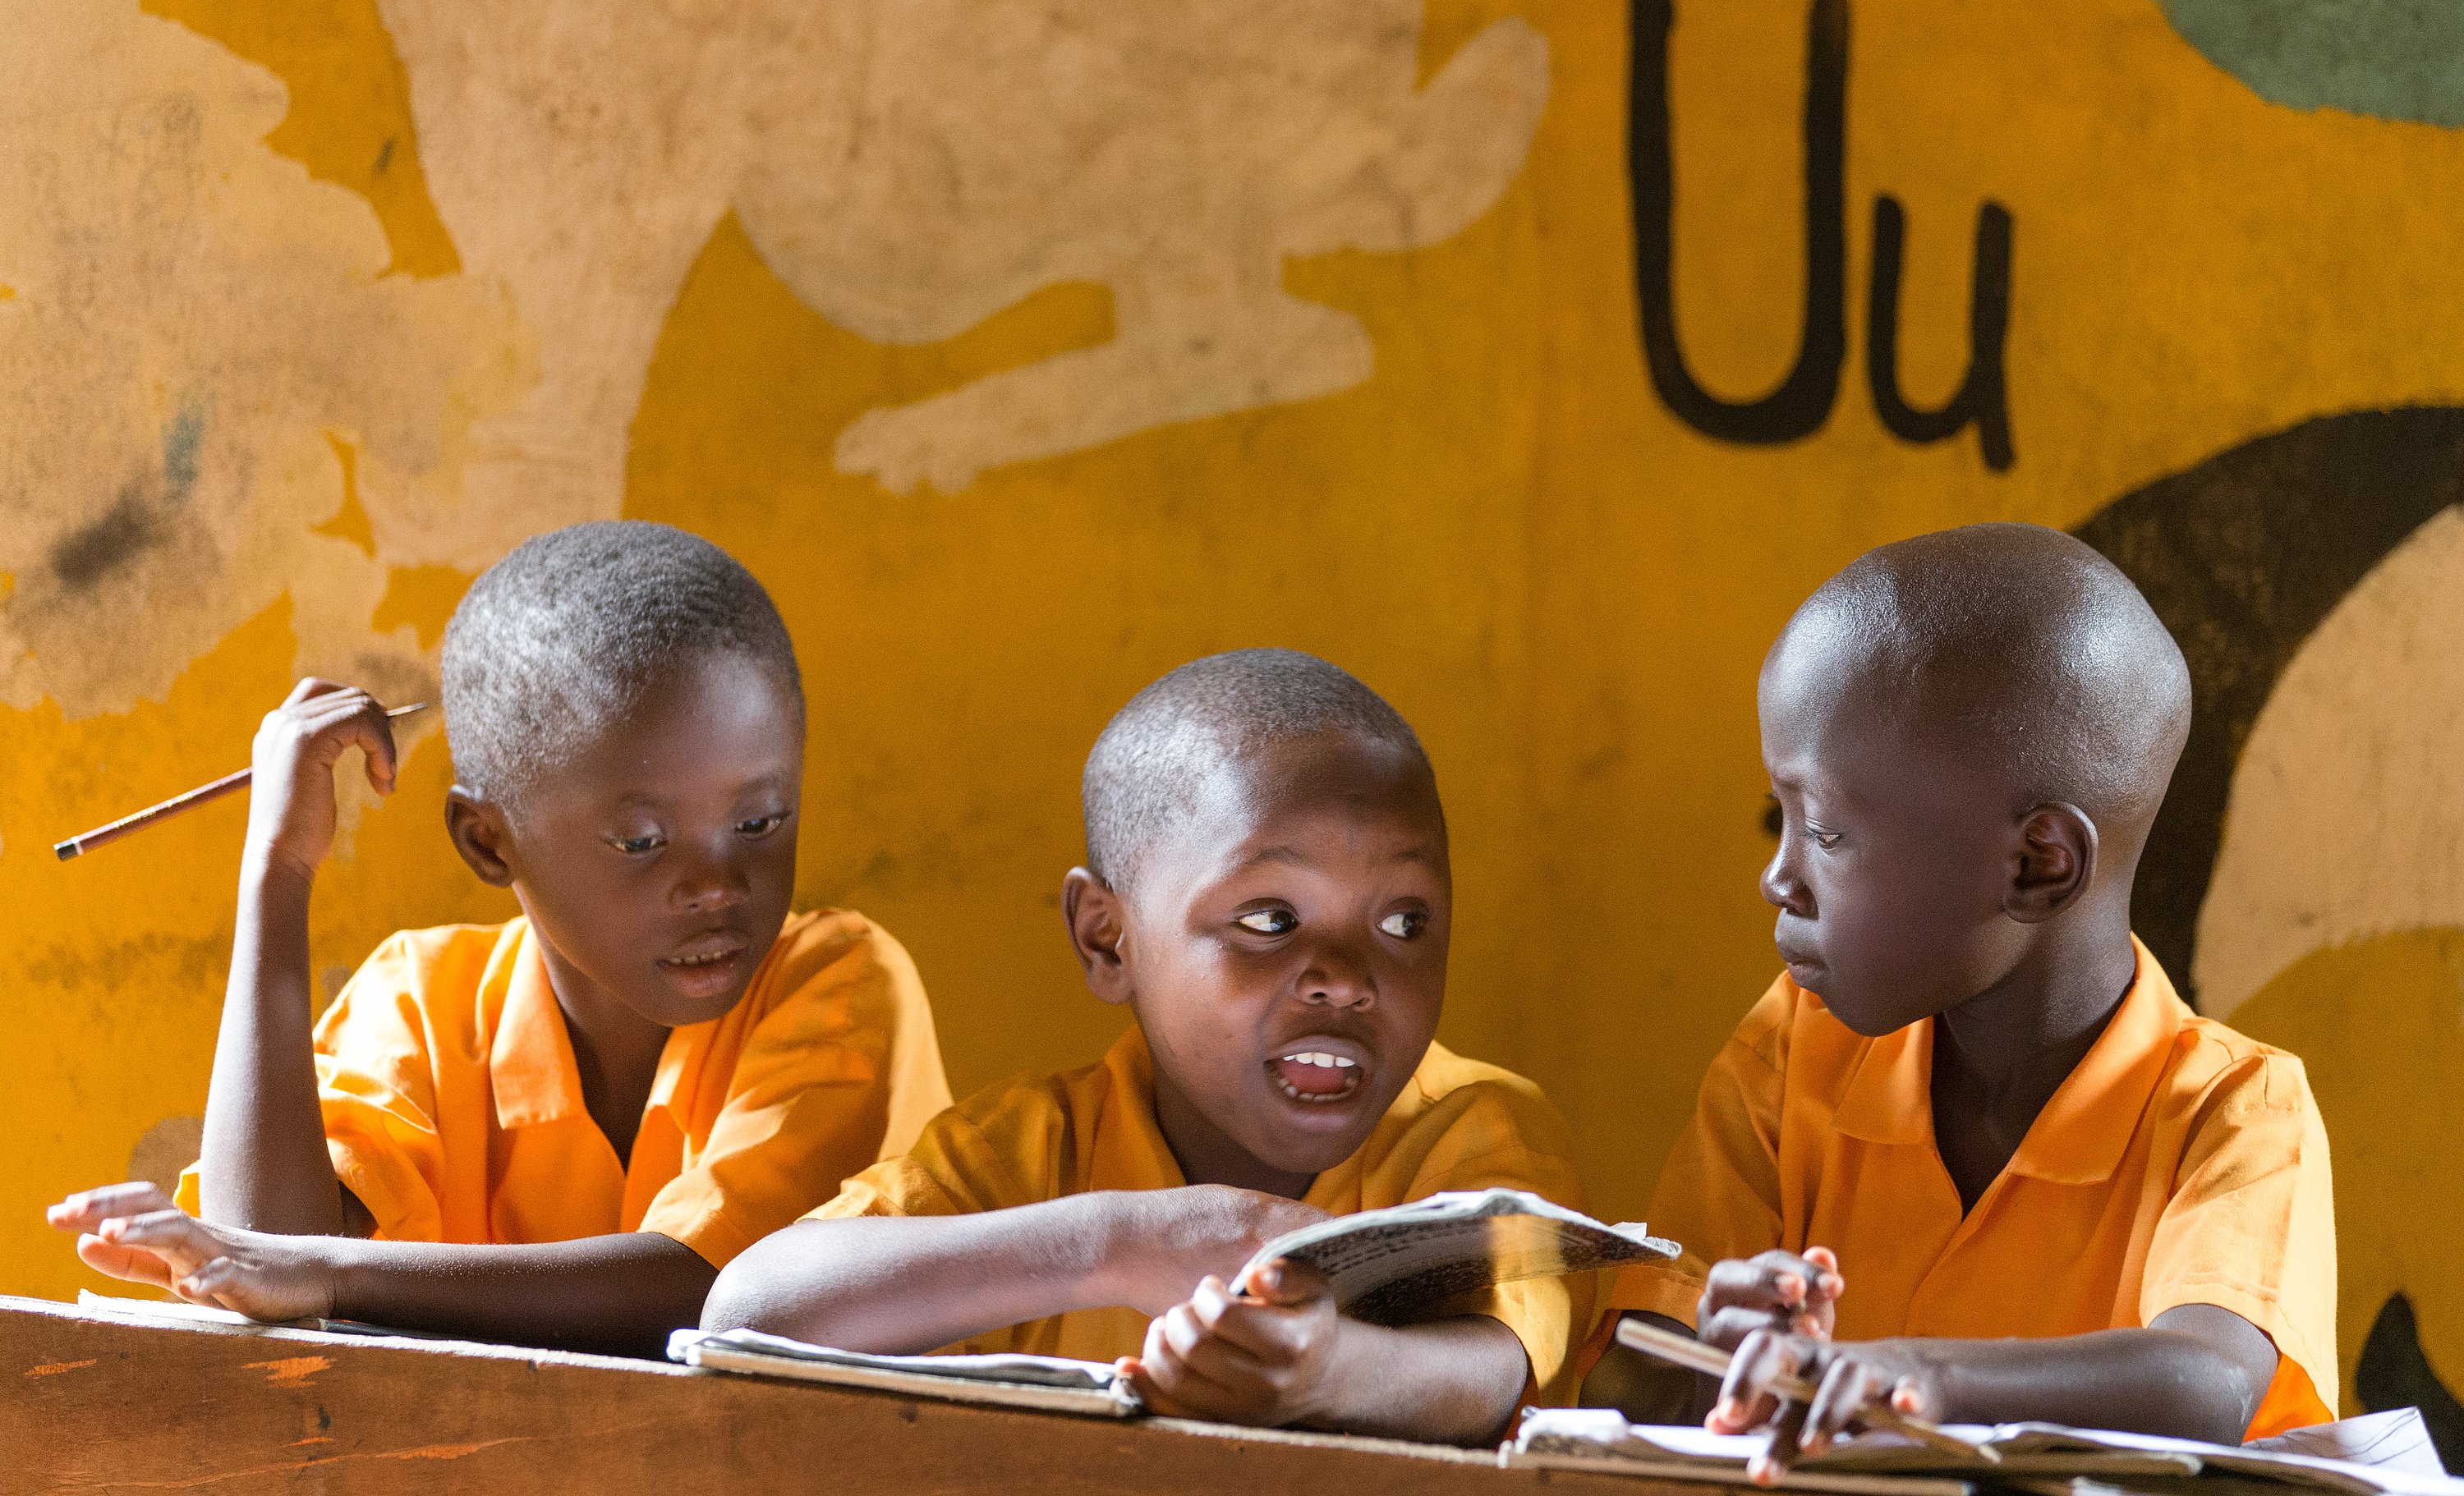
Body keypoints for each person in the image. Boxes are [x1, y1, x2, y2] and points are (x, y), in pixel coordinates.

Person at [49, 521, 949, 1355]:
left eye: (760, 821)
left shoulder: (838, 984)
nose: (716, 884)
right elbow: (265, 1266)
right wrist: (277, 873)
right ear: (489, 841)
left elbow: (720, 1301)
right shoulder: (424, 1000)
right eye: (641, 841)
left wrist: (334, 1274)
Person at [1588, 523, 2336, 1471]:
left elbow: (2207, 1382)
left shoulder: (2233, 1113)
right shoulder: (1792, 1052)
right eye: (1779, 820)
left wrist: (1921, 1377)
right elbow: (1627, 1385)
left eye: (1823, 832)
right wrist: (1721, 1349)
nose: (1778, 878)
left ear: (2036, 866)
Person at [706, 649, 1592, 1443]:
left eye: (1406, 921)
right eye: (1270, 920)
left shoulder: (1470, 1130)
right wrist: (1123, 1243)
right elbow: (750, 1309)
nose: (1348, 979)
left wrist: (1330, 1372)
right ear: (1107, 939)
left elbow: (1495, 1368)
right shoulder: (1033, 1151)